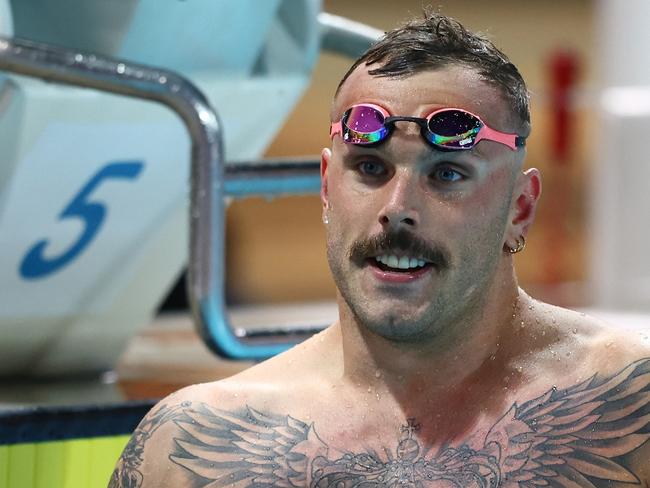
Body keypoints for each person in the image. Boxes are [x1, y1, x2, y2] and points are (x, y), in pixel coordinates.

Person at [109, 10, 650, 487]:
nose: (398, 207)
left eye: (447, 174)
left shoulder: (628, 398)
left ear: (520, 208)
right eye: (371, 168)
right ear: (326, 187)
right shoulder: (192, 444)